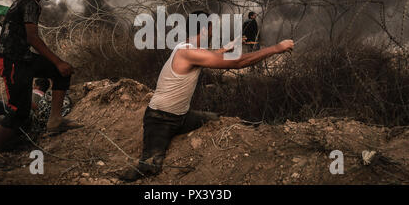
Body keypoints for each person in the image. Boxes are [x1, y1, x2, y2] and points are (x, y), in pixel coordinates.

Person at [120, 11, 294, 181]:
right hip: (160, 120)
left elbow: (207, 57)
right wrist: (277, 48)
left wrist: (226, 48)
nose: (212, 33)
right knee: (151, 165)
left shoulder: (186, 47)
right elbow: (239, 62)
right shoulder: (187, 52)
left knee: (214, 119)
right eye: (211, 29)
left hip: (182, 117)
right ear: (204, 30)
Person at [0, 0, 82, 171]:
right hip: (13, 62)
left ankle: (55, 120)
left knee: (61, 72)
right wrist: (58, 61)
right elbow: (33, 38)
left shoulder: (29, 2)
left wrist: (58, 64)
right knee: (18, 113)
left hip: (22, 58)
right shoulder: (30, 4)